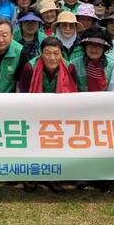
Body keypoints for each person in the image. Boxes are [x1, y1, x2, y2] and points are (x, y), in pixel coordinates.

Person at [18, 36, 76, 194]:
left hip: (59, 114)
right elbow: (23, 93)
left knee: (54, 144)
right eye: (48, 53)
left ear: (61, 54)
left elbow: (73, 94)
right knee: (33, 144)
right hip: (33, 112)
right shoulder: (29, 67)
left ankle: (52, 176)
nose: (52, 57)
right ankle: (32, 175)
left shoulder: (70, 68)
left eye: (56, 53)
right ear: (41, 54)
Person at [69, 26, 114, 193]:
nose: (94, 49)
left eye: (99, 45)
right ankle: (81, 175)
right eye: (90, 44)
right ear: (84, 46)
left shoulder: (113, 65)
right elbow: (71, 90)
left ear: (105, 47)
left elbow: (111, 93)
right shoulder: (74, 64)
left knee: (101, 144)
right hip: (79, 111)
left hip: (103, 111)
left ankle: (101, 177)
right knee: (81, 143)